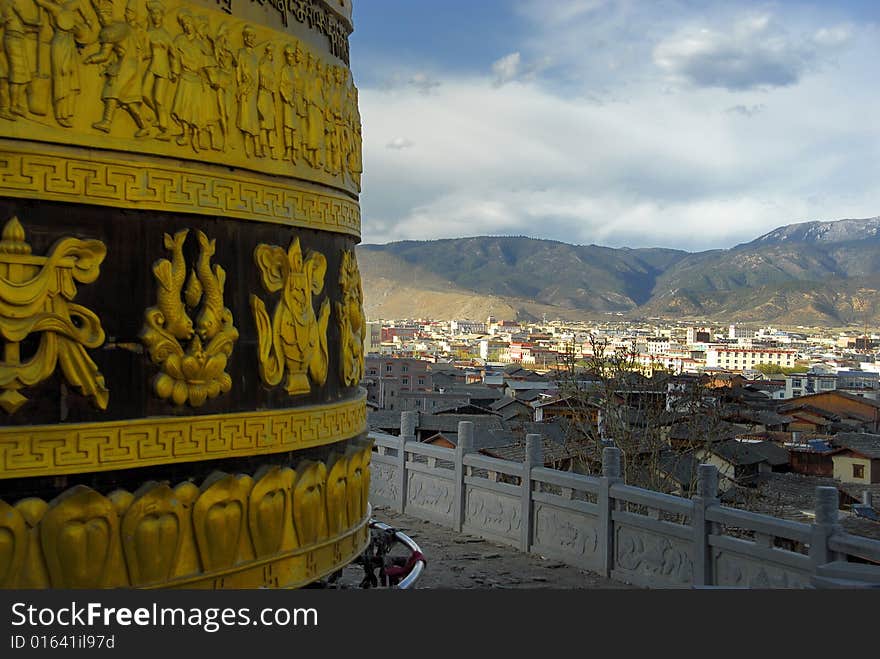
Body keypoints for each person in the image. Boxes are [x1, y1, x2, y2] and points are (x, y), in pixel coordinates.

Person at [85, 0, 149, 137]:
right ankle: (144, 127)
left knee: (111, 91)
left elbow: (104, 55)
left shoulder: (111, 31)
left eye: (105, 15)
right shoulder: (124, 26)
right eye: (100, 17)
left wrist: (89, 59)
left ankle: (107, 122)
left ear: (110, 14)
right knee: (129, 99)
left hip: (126, 65)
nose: (102, 19)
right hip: (133, 65)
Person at [33, 0, 91, 127]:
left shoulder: (70, 6)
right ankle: (60, 115)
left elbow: (81, 6)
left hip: (70, 43)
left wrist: (88, 20)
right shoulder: (55, 8)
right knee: (61, 78)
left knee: (72, 81)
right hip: (60, 44)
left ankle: (68, 113)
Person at [142, 0, 173, 139]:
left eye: (157, 14)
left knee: (159, 99)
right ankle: (158, 116)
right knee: (144, 93)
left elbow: (174, 54)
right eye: (153, 14)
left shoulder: (165, 34)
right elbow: (147, 52)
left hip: (163, 69)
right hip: (152, 66)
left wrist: (175, 70)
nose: (155, 16)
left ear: (161, 16)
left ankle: (165, 130)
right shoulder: (149, 32)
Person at [235, 24, 259, 157]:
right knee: (245, 118)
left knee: (253, 119)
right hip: (245, 89)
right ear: (244, 38)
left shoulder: (255, 56)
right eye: (248, 36)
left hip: (254, 91)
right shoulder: (241, 53)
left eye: (252, 37)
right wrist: (240, 85)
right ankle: (246, 145)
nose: (251, 39)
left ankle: (256, 146)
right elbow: (238, 70)